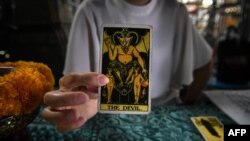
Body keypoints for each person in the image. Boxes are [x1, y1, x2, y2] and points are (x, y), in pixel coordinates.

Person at [42, 0, 213, 132]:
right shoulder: (90, 9)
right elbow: (75, 86)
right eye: (121, 41)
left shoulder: (175, 11)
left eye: (127, 41)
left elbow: (204, 62)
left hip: (165, 112)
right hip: (106, 115)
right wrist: (78, 102)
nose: (124, 43)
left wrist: (189, 103)